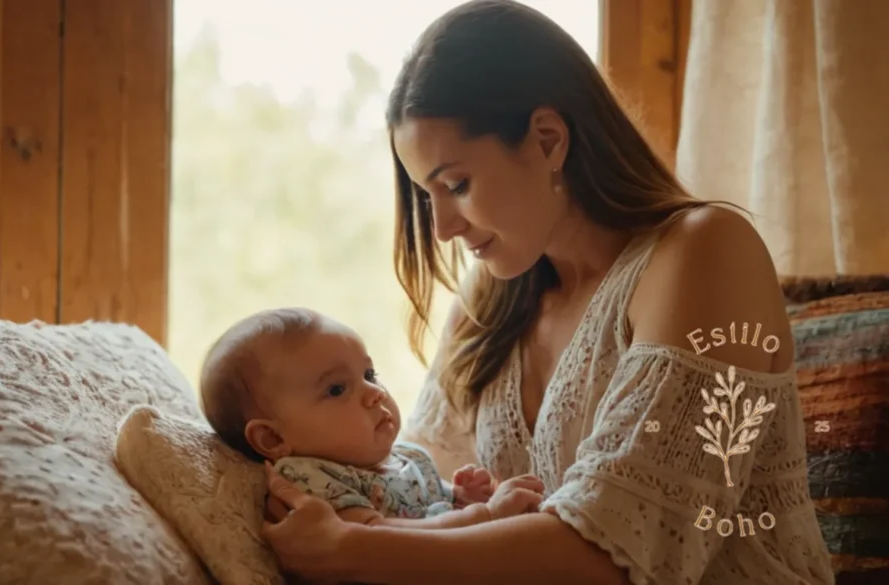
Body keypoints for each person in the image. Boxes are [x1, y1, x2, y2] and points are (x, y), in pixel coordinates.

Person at [260, 1, 836, 584]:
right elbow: (405, 494)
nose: (443, 229)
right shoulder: (485, 309)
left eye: (457, 184)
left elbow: (621, 550)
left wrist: (351, 550)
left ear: (548, 140)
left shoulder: (706, 251)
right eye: (426, 196)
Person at [199, 307, 549, 529]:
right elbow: (378, 540)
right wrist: (485, 516)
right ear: (273, 440)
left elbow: (441, 509)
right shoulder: (309, 480)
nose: (374, 392)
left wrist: (467, 498)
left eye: (369, 374)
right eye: (337, 389)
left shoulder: (408, 457)